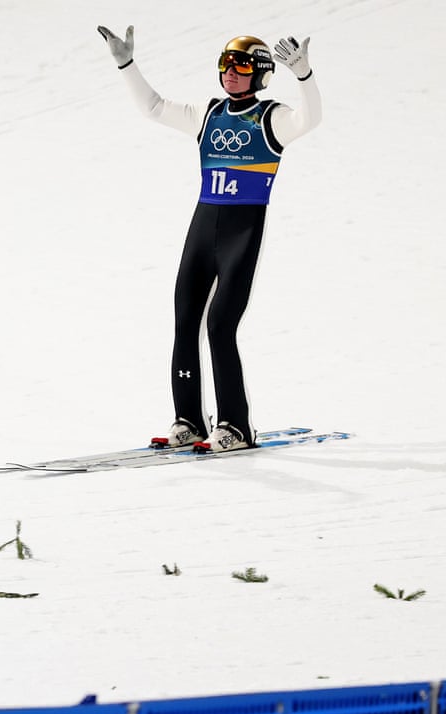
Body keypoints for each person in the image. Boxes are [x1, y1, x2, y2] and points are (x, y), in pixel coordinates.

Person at [97, 26, 322, 451]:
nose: (230, 74)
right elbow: (154, 107)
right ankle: (189, 420)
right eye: (224, 66)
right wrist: (126, 64)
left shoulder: (271, 117)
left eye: (239, 67)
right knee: (185, 323)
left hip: (241, 233)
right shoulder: (210, 113)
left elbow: (309, 120)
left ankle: (235, 426)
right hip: (202, 228)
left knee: (220, 327)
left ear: (260, 75)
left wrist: (305, 76)